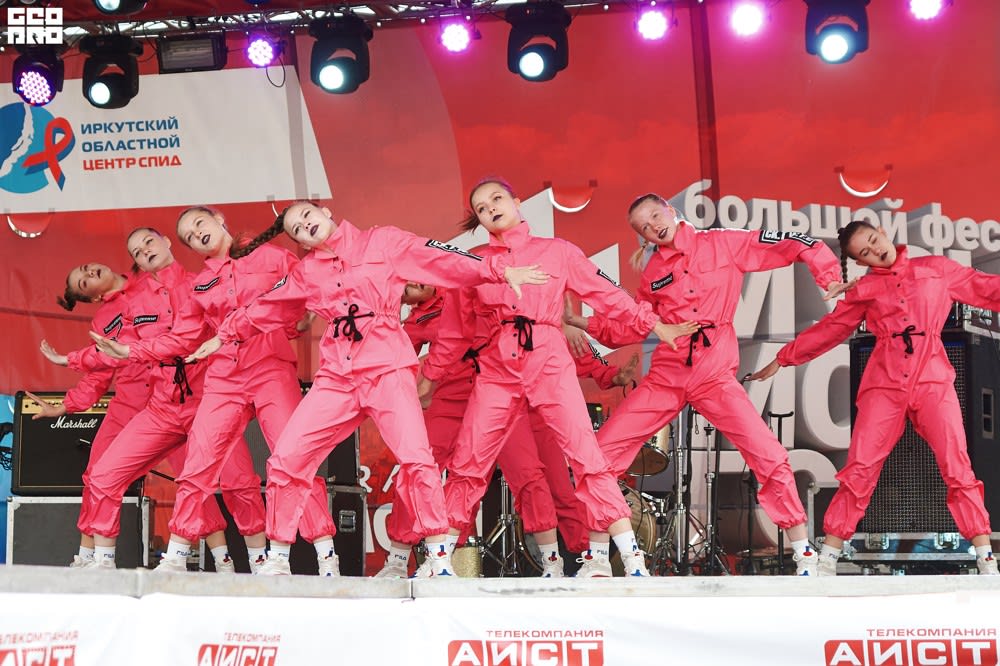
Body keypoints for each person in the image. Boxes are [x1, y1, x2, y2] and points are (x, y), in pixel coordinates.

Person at [183, 201, 549, 577]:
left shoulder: (382, 241)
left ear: (326, 213)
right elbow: (267, 305)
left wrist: (500, 270)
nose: (304, 226)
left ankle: (439, 559)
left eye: (307, 216)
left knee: (416, 458)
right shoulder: (307, 271)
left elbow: (440, 256)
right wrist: (224, 335)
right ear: (300, 244)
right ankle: (278, 557)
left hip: (387, 367)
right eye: (295, 229)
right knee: (287, 459)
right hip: (337, 377)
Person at [419, 178, 697, 577]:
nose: (491, 208)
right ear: (479, 220)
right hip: (498, 365)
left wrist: (654, 324)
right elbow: (454, 332)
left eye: (497, 199)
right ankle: (439, 561)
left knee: (585, 455)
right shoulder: (477, 263)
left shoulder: (558, 252)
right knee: (469, 460)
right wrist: (430, 376)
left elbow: (606, 293)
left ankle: (631, 559)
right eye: (481, 208)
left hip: (548, 357)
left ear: (516, 202)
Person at [568, 193, 851, 576]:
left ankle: (805, 555)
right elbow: (630, 326)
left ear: (670, 210)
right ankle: (601, 558)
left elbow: (797, 243)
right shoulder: (653, 271)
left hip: (713, 373)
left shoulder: (723, 242)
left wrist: (829, 276)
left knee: (767, 453)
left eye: (655, 216)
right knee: (599, 453)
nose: (653, 227)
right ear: (643, 237)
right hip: (667, 375)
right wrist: (581, 322)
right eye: (644, 227)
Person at [91, 206, 338, 575]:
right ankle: (176, 555)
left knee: (293, 459)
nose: (196, 235)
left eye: (199, 225)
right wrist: (130, 352)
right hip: (224, 378)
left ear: (219, 220)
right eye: (189, 236)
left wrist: (302, 318)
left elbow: (310, 285)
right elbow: (182, 338)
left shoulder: (269, 256)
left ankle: (326, 558)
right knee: (198, 463)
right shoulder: (200, 285)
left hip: (270, 367)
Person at [748, 220, 1000, 576]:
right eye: (864, 253)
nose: (874, 251)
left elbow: (986, 288)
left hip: (932, 380)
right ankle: (829, 557)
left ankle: (985, 556)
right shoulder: (864, 289)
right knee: (860, 468)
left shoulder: (936, 269)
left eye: (872, 240)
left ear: (882, 231)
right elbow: (831, 329)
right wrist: (783, 358)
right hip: (883, 384)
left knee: (957, 466)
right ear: (860, 262)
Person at [58, 227, 265, 571]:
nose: (145, 251)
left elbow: (234, 325)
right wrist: (72, 369)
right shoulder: (131, 305)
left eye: (149, 243)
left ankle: (260, 564)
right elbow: (114, 355)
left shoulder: (201, 284)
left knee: (237, 481)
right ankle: (102, 563)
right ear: (136, 264)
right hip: (160, 405)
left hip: (208, 401)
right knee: (103, 475)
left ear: (167, 242)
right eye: (137, 252)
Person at [27, 262, 150, 568]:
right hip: (130, 401)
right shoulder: (103, 318)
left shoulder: (152, 279)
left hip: (174, 395)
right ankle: (87, 557)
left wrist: (67, 359)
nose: (89, 273)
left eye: (84, 269)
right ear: (94, 298)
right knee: (97, 475)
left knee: (199, 476)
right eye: (83, 282)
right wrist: (64, 406)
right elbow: (99, 374)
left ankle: (224, 561)